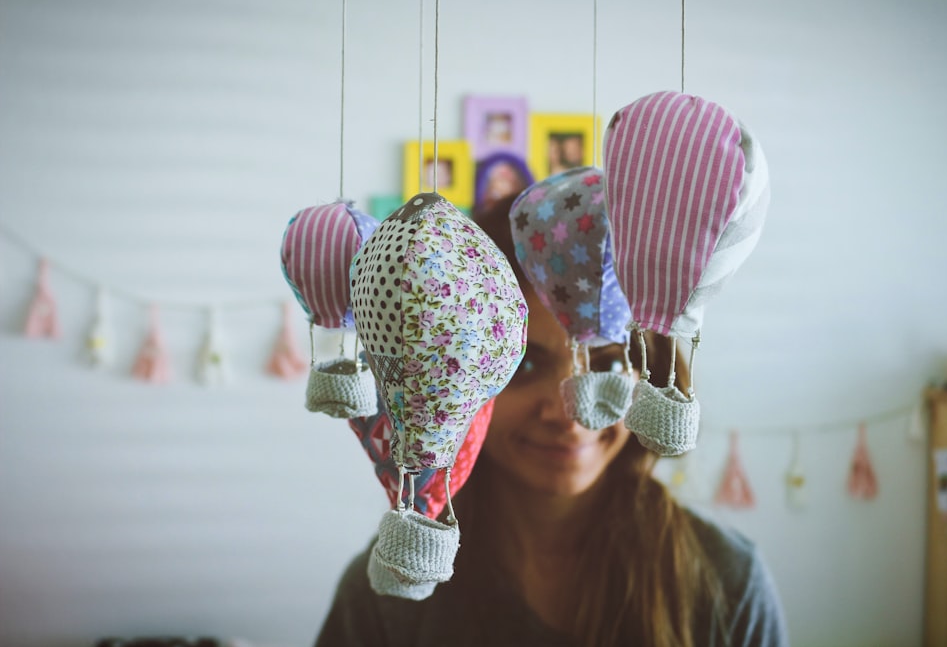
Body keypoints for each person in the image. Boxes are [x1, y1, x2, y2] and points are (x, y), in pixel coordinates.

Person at [314, 193, 789, 647]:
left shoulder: (727, 581)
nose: (567, 414)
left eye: (605, 364)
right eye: (525, 366)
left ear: (651, 374)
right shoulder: (392, 588)